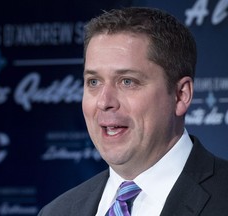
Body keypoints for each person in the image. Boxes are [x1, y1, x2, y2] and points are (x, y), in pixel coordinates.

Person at [38, 7, 228, 216]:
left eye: (127, 81)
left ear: (181, 95)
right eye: (93, 82)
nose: (104, 102)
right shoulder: (57, 212)